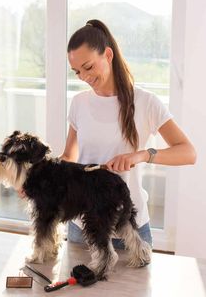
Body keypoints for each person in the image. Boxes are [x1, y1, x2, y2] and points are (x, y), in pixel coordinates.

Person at [59, 19, 196, 249]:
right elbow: (69, 158)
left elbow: (188, 153)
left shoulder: (145, 102)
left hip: (128, 226)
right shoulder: (79, 103)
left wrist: (142, 155)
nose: (84, 77)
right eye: (77, 72)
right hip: (82, 227)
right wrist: (33, 180)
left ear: (108, 55)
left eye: (89, 67)